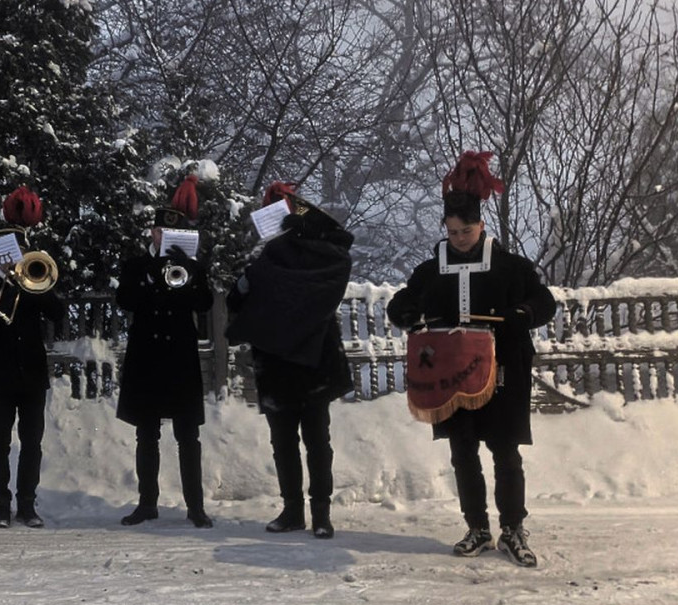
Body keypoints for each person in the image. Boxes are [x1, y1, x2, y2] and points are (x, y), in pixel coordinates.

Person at [386, 151, 557, 568]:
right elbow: (401, 304)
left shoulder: (511, 266)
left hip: (503, 374)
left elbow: (544, 301)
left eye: (466, 231)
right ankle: (477, 527)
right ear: (445, 229)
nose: (460, 238)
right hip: (451, 377)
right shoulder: (430, 271)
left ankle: (513, 529)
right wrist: (405, 314)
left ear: (481, 225)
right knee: (462, 452)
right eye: (453, 231)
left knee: (505, 452)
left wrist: (524, 315)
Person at [225, 183, 355, 539]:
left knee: (316, 441)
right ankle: (293, 510)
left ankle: (321, 514)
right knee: (283, 442)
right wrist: (248, 280)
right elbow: (236, 302)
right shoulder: (266, 259)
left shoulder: (323, 259)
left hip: (312, 363)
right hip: (278, 362)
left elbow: (337, 257)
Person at [116, 175, 215, 529]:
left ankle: (196, 506)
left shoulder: (192, 267)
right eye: (160, 232)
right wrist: (150, 277)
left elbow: (205, 303)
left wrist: (188, 272)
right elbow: (124, 300)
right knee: (147, 435)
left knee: (188, 436)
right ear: (153, 233)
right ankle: (147, 503)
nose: (163, 237)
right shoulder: (136, 266)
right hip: (147, 356)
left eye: (171, 233)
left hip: (179, 359)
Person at [0, 185, 65, 528]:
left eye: (21, 249)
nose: (17, 255)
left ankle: (27, 502)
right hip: (0, 374)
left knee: (32, 442)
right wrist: (3, 284)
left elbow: (58, 313)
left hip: (33, 373)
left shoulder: (34, 280)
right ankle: (1, 502)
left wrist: (32, 286)